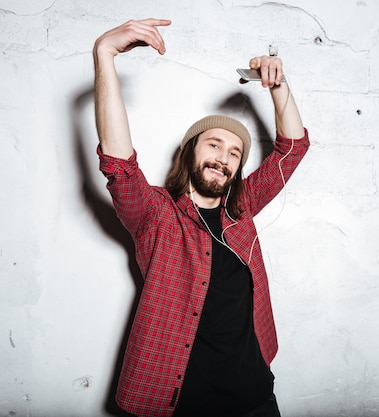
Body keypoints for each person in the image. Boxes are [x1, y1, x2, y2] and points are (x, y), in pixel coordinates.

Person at [93, 18, 309, 417]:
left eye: (233, 153)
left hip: (255, 397)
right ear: (190, 152)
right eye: (214, 144)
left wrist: (277, 86)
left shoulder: (240, 209)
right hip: (180, 403)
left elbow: (291, 150)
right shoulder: (155, 213)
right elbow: (118, 164)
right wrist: (104, 53)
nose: (223, 158)